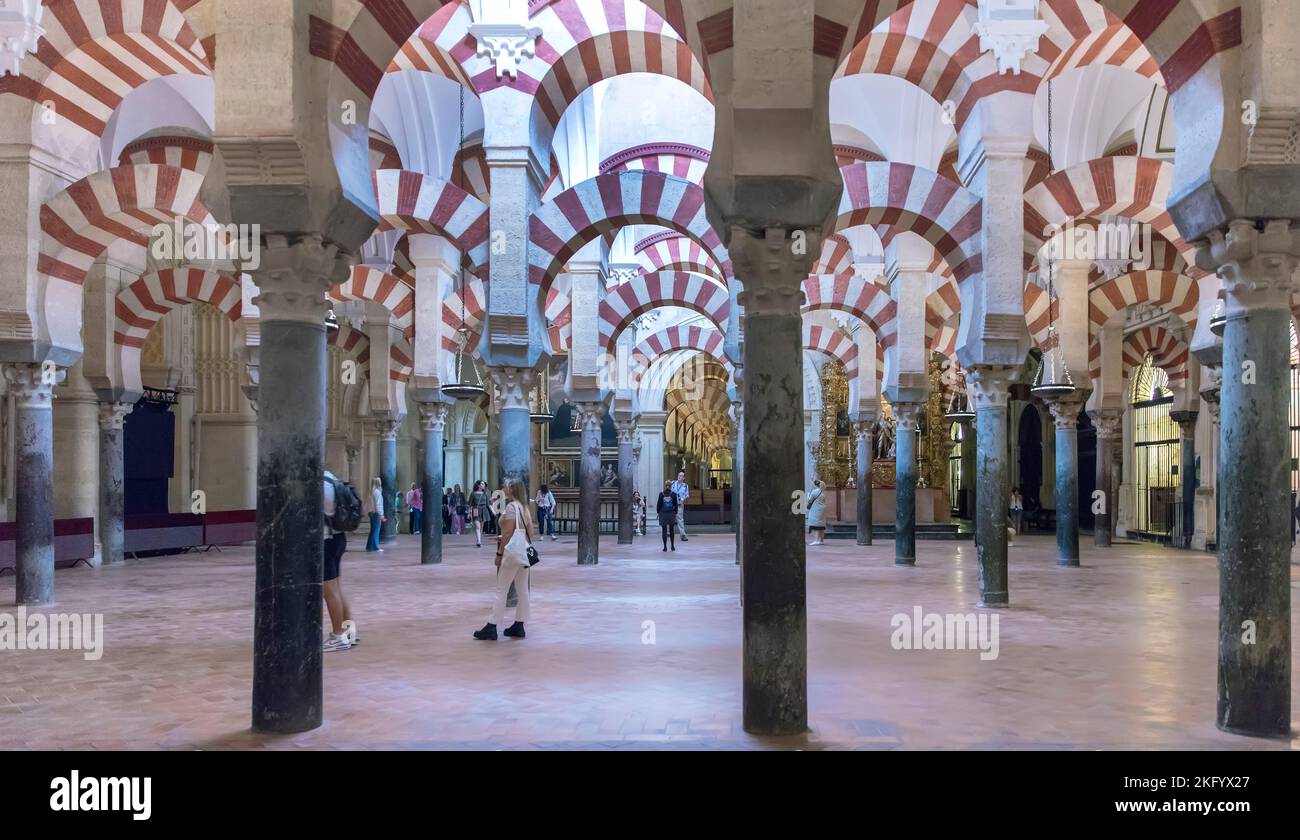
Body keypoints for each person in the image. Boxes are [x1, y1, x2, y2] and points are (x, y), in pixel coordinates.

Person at [474, 477, 534, 641]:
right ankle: (519, 624)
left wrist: (499, 555)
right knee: (523, 590)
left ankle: (492, 626)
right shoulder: (524, 508)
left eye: (506, 486)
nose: (503, 487)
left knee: (501, 589)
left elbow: (507, 534)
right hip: (524, 551)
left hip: (512, 552)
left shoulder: (511, 507)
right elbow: (531, 534)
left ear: (512, 489)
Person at [323, 467, 359, 652]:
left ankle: (338, 636)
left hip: (326, 540)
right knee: (337, 588)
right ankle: (349, 633)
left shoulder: (318, 483)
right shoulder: (331, 476)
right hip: (338, 538)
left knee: (329, 591)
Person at [656, 480, 679, 552]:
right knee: (672, 530)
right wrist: (675, 513)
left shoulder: (661, 494)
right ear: (671, 486)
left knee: (664, 530)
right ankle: (672, 546)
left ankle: (665, 547)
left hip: (663, 513)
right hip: (671, 513)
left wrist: (658, 512)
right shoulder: (673, 494)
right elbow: (676, 505)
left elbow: (658, 504)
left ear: (665, 485)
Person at [366, 476, 385, 552]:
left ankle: (369, 546)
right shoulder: (377, 492)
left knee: (373, 530)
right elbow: (378, 504)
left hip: (371, 512)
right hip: (376, 513)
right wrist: (381, 514)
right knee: (376, 530)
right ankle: (375, 547)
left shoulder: (372, 491)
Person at [469, 479, 491, 547]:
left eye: (484, 484)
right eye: (482, 484)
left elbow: (488, 504)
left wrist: (493, 511)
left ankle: (479, 539)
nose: (483, 485)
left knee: (481, 527)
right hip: (476, 510)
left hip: (484, 510)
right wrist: (469, 513)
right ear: (478, 485)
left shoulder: (485, 493)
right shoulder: (473, 493)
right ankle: (479, 541)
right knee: (477, 526)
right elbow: (470, 504)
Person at [671, 470, 690, 542]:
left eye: (682, 476)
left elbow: (687, 495)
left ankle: (683, 535)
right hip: (672, 504)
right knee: (670, 518)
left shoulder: (685, 486)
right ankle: (668, 533)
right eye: (679, 475)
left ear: (684, 478)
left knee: (680, 520)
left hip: (679, 504)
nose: (680, 477)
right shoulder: (673, 483)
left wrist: (683, 499)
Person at [806, 478, 827, 545]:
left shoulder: (815, 491)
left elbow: (810, 501)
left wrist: (808, 495)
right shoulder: (823, 491)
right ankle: (821, 540)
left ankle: (816, 540)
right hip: (822, 509)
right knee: (821, 525)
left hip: (816, 510)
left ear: (816, 485)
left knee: (816, 525)